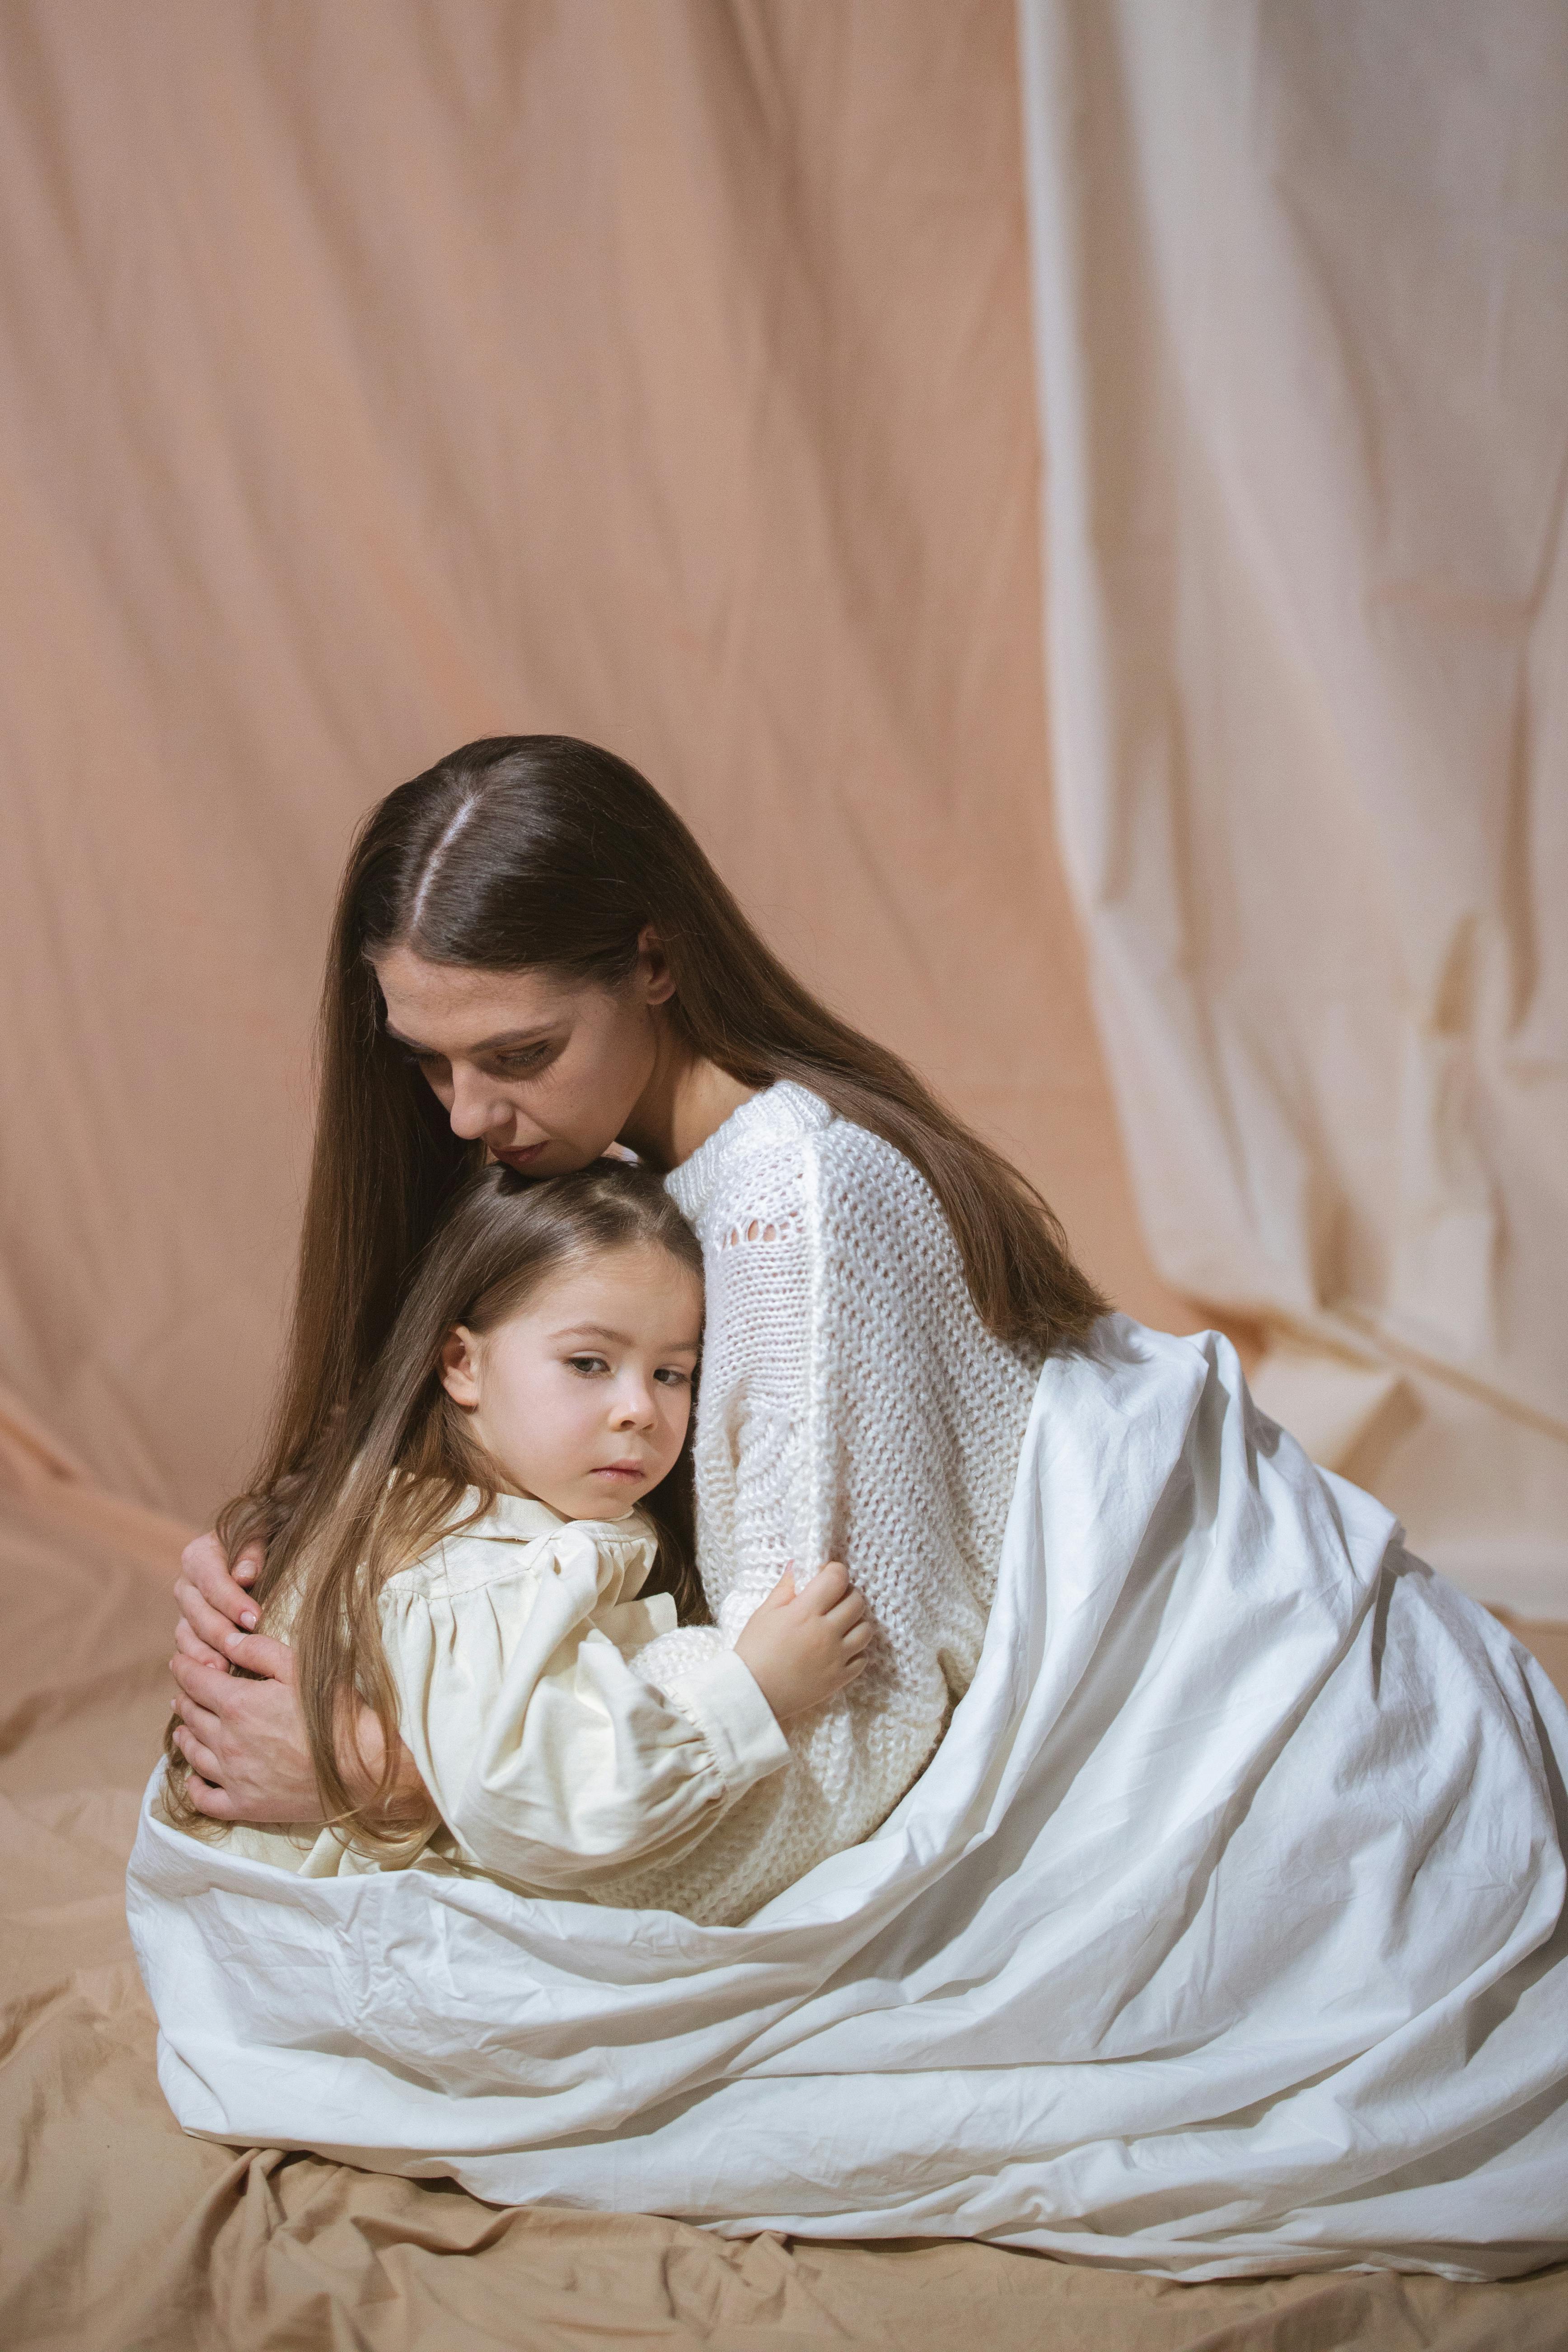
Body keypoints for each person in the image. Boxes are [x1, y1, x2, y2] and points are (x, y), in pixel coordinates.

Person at [144, 734, 1568, 2273]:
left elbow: (839, 1766)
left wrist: (401, 1771)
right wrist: (312, 1544)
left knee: (380, 1988)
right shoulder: (651, 1169)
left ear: (656, 964)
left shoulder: (792, 1213)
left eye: (516, 1052)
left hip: (1300, 1786)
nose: (464, 1111)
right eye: (427, 1060)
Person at [160, 1159, 872, 1905]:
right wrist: (753, 1690)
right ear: (462, 1365)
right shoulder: (486, 1573)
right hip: (358, 1948)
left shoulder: (412, 1502)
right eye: (589, 1363)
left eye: (672, 1373)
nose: (639, 1409)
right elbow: (553, 1808)